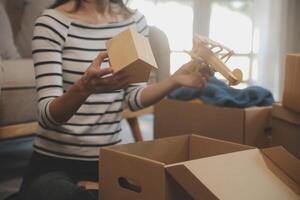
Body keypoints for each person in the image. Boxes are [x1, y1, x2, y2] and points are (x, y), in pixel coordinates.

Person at [18, 0, 212, 199]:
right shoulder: (52, 22)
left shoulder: (135, 22)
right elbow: (48, 116)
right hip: (54, 164)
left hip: (108, 162)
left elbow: (133, 98)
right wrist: (84, 89)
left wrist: (174, 81)